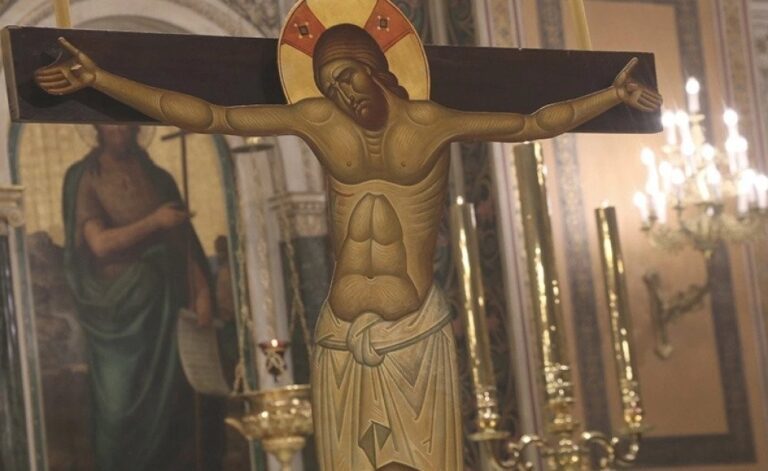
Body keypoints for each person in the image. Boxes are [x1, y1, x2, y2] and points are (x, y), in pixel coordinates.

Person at [38, 24, 661, 471]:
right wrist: (101, 79)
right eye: (329, 84)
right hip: (339, 340)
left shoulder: (433, 122)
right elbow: (209, 116)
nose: (341, 92)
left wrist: (612, 96)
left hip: (412, 337)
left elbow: (531, 124)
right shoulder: (318, 121)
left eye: (347, 76)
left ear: (377, 69)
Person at [60, 124, 216, 470]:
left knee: (174, 406)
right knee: (118, 411)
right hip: (116, 316)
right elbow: (99, 245)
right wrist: (155, 222)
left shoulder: (159, 179)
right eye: (110, 121)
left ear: (137, 126)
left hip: (166, 314)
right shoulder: (86, 176)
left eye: (124, 120)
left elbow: (182, 244)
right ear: (97, 127)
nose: (118, 128)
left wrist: (203, 291)